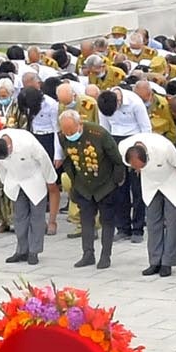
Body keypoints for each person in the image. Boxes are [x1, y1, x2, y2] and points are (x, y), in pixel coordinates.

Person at [57, 109, 127, 270]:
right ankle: (88, 254)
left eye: (72, 131)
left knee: (107, 221)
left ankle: (105, 255)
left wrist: (116, 183)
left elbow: (117, 160)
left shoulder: (99, 134)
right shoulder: (62, 136)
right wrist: (74, 182)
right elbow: (68, 160)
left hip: (105, 185)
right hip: (83, 186)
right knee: (86, 220)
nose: (69, 134)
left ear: (79, 124)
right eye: (66, 132)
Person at [121, 130, 176, 277]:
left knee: (172, 223)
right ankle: (155, 261)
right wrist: (140, 170)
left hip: (171, 179)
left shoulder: (164, 147)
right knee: (152, 222)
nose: (137, 169)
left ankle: (168, 262)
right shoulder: (124, 146)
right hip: (150, 183)